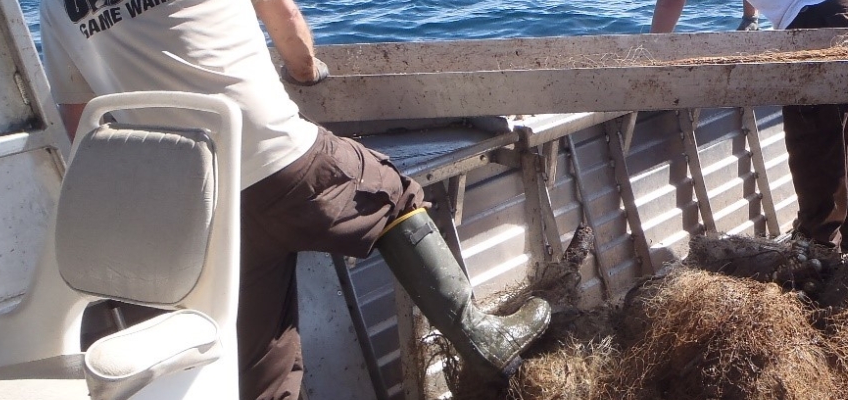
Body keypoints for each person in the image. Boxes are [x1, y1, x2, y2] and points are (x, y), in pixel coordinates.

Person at [38, 0, 551, 399]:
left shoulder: (56, 8)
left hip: (199, 210)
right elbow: (287, 26)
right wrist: (307, 72)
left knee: (262, 361)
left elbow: (83, 118)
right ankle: (479, 337)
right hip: (285, 164)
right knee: (391, 193)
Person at [652, 0, 848, 253]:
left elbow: (669, 3)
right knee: (843, 133)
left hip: (816, 23)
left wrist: (652, 55)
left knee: (815, 146)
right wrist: (750, 17)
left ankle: (819, 253)